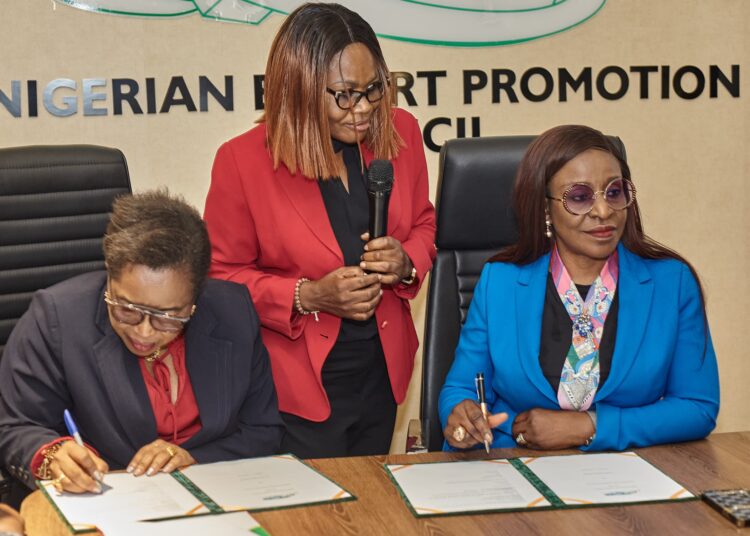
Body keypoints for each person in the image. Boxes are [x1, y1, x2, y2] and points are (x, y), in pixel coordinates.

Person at [204, 3, 436, 458]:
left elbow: (425, 222)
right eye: (345, 95)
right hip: (293, 385)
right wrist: (307, 296)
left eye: (375, 89)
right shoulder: (243, 161)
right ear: (301, 89)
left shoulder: (401, 131)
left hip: (382, 371)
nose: (365, 108)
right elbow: (219, 279)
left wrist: (406, 259)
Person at [439, 125, 719, 452]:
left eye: (614, 192)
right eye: (579, 197)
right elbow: (460, 387)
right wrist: (461, 414)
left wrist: (590, 426)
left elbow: (696, 406)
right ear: (545, 209)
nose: (603, 211)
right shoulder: (499, 282)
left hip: (628, 472)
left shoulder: (671, 283)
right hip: (515, 463)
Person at [0, 190, 283, 495]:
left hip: (217, 497)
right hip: (105, 498)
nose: (144, 332)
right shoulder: (57, 317)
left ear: (195, 299)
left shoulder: (234, 311)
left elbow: (263, 431)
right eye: (127, 309)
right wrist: (52, 456)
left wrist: (195, 459)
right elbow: (15, 427)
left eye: (169, 317)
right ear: (109, 274)